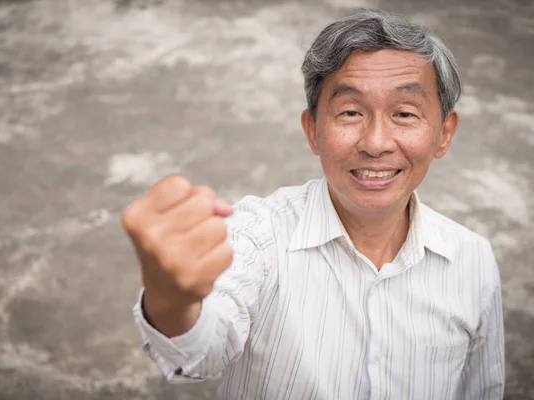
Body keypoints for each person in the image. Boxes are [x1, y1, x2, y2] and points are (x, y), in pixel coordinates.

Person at [122, 9, 505, 400]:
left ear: (444, 133)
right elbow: (201, 353)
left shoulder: (472, 260)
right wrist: (170, 295)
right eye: (351, 112)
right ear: (313, 131)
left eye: (404, 114)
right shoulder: (259, 234)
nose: (376, 143)